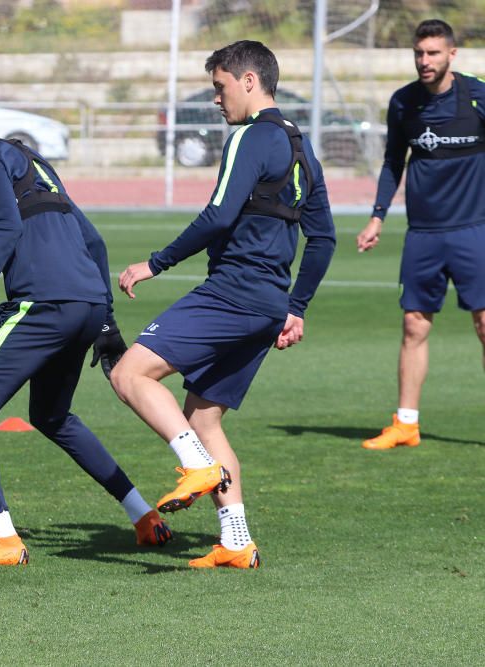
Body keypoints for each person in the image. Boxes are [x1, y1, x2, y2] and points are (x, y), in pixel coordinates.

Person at [0, 88, 173, 568]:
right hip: (85, 305)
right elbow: (92, 238)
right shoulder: (31, 160)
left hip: (43, 304)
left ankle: (3, 538)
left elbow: (5, 228)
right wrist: (107, 318)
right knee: (52, 416)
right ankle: (142, 515)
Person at [111, 41, 336, 569]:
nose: (217, 99)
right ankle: (236, 542)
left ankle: (195, 466)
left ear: (249, 82)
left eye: (220, 87)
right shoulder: (304, 150)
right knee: (205, 420)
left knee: (129, 375)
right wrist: (294, 306)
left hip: (232, 292)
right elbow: (323, 240)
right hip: (266, 304)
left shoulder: (250, 136)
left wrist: (155, 263)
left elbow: (216, 216)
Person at [357, 20, 485, 450]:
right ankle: (406, 424)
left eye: (433, 53)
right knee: (414, 325)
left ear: (453, 54)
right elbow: (394, 161)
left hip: (475, 231)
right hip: (424, 234)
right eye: (419, 53)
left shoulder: (477, 95)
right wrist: (377, 217)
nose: (424, 61)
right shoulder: (403, 103)